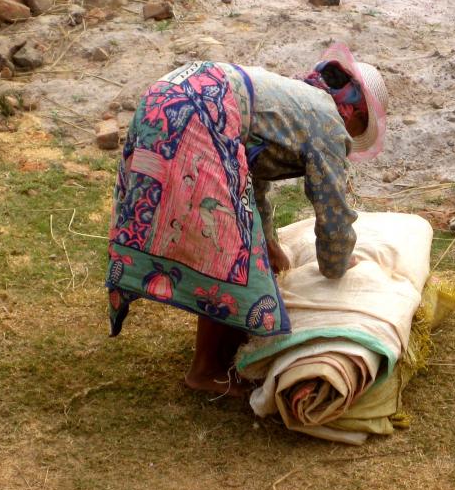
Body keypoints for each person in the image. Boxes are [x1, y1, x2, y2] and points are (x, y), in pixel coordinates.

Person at [105, 43, 389, 396]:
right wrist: (338, 266)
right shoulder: (329, 123)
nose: (351, 136)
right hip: (199, 111)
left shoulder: (292, 100)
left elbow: (250, 177)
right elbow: (333, 208)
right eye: (359, 125)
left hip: (165, 98)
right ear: (353, 110)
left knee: (232, 233)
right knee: (224, 245)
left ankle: (229, 345)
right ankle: (207, 370)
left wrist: (268, 242)